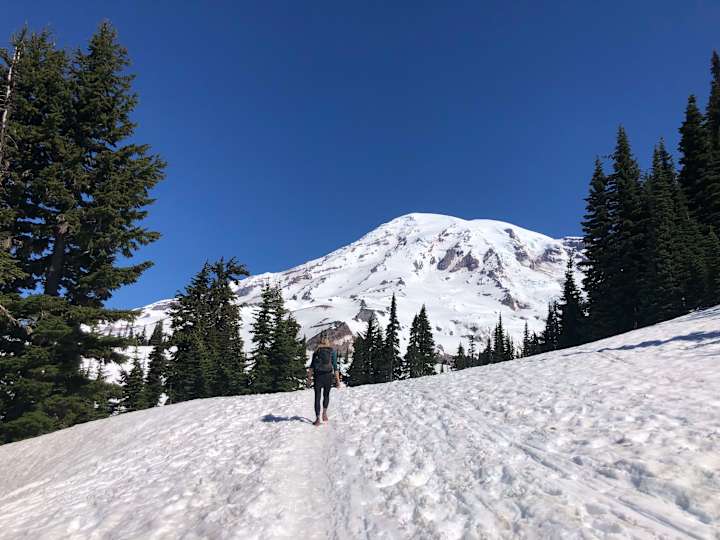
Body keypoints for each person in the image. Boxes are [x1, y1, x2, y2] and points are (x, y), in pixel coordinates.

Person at [308, 338, 340, 426]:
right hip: (328, 376)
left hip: (318, 376)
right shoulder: (332, 352)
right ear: (328, 343)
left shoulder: (316, 352)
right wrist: (337, 380)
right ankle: (324, 414)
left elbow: (311, 366)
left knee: (317, 396)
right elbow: (335, 367)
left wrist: (309, 378)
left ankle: (317, 418)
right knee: (326, 395)